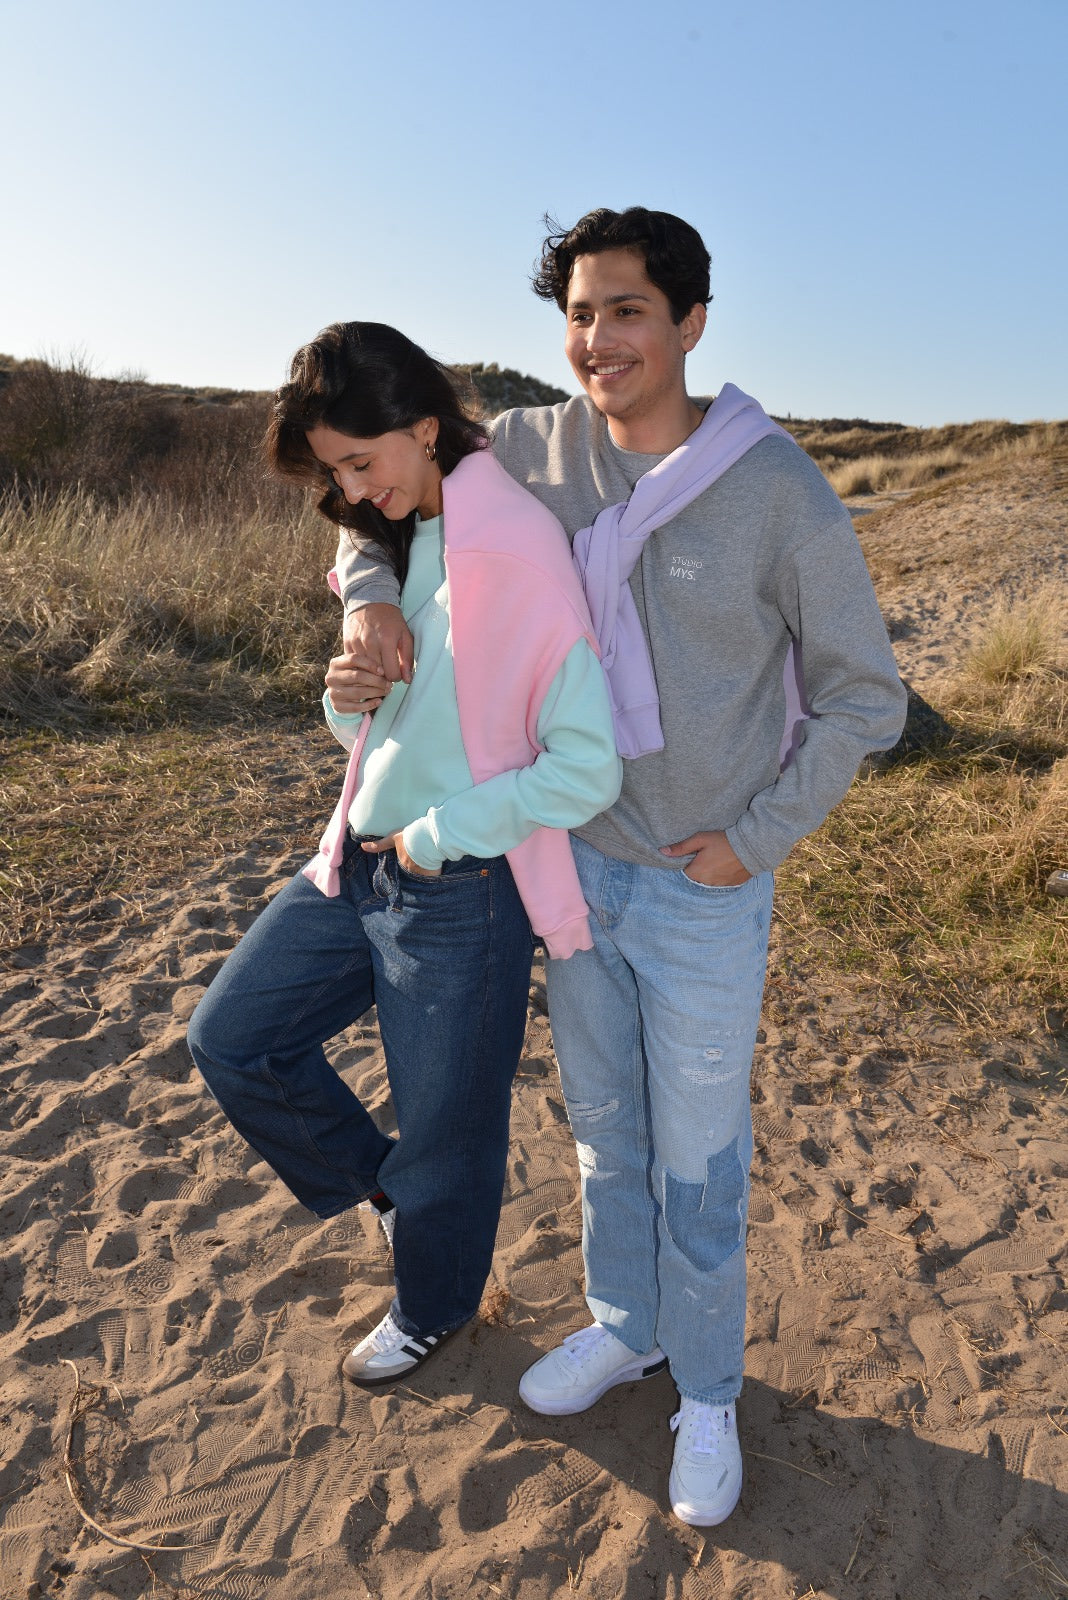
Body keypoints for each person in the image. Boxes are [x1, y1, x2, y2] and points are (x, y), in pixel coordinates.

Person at [335, 209, 907, 1522]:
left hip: (706, 890)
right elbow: (382, 489)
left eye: (629, 311)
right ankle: (626, 1326)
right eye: (581, 315)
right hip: (574, 869)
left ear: (691, 322)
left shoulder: (779, 494)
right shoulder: (539, 452)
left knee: (700, 1163)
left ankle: (707, 1395)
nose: (599, 340)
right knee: (606, 1138)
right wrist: (369, 589)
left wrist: (757, 837)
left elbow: (865, 697)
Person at [188, 321, 621, 1389]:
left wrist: (438, 836)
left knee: (448, 1130)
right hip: (356, 857)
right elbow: (406, 722)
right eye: (332, 470)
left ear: (424, 428)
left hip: (458, 889)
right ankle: (394, 1201)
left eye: (358, 463)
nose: (348, 490)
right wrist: (347, 703)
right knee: (234, 1038)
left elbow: (585, 766)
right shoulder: (396, 533)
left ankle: (433, 1302)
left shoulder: (514, 552)